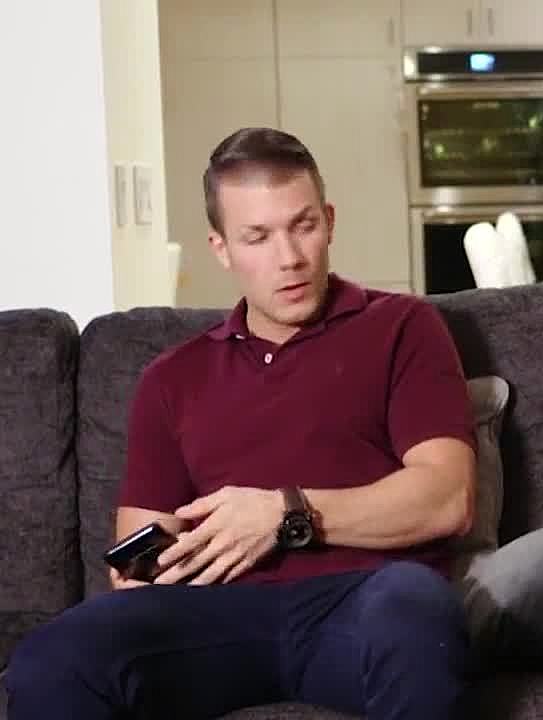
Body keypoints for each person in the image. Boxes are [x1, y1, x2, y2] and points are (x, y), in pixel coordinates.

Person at [4, 127, 478, 719]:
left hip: (362, 601)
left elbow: (446, 497)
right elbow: (138, 547)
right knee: (54, 656)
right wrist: (150, 566)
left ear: (330, 221)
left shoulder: (403, 326)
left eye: (304, 225)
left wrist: (285, 514)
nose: (290, 258)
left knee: (416, 609)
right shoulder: (171, 378)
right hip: (215, 618)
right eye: (258, 237)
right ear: (222, 248)